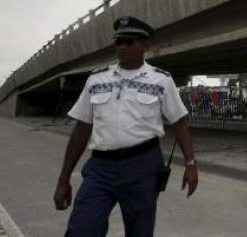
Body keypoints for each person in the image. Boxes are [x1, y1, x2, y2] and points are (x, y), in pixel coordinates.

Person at [53, 16, 197, 236]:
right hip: (100, 168)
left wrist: (191, 164)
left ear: (145, 46)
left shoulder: (161, 80)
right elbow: (82, 128)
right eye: (118, 42)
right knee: (82, 229)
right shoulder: (96, 79)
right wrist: (63, 179)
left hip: (143, 166)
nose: (122, 46)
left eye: (129, 41)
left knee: (140, 232)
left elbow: (180, 123)